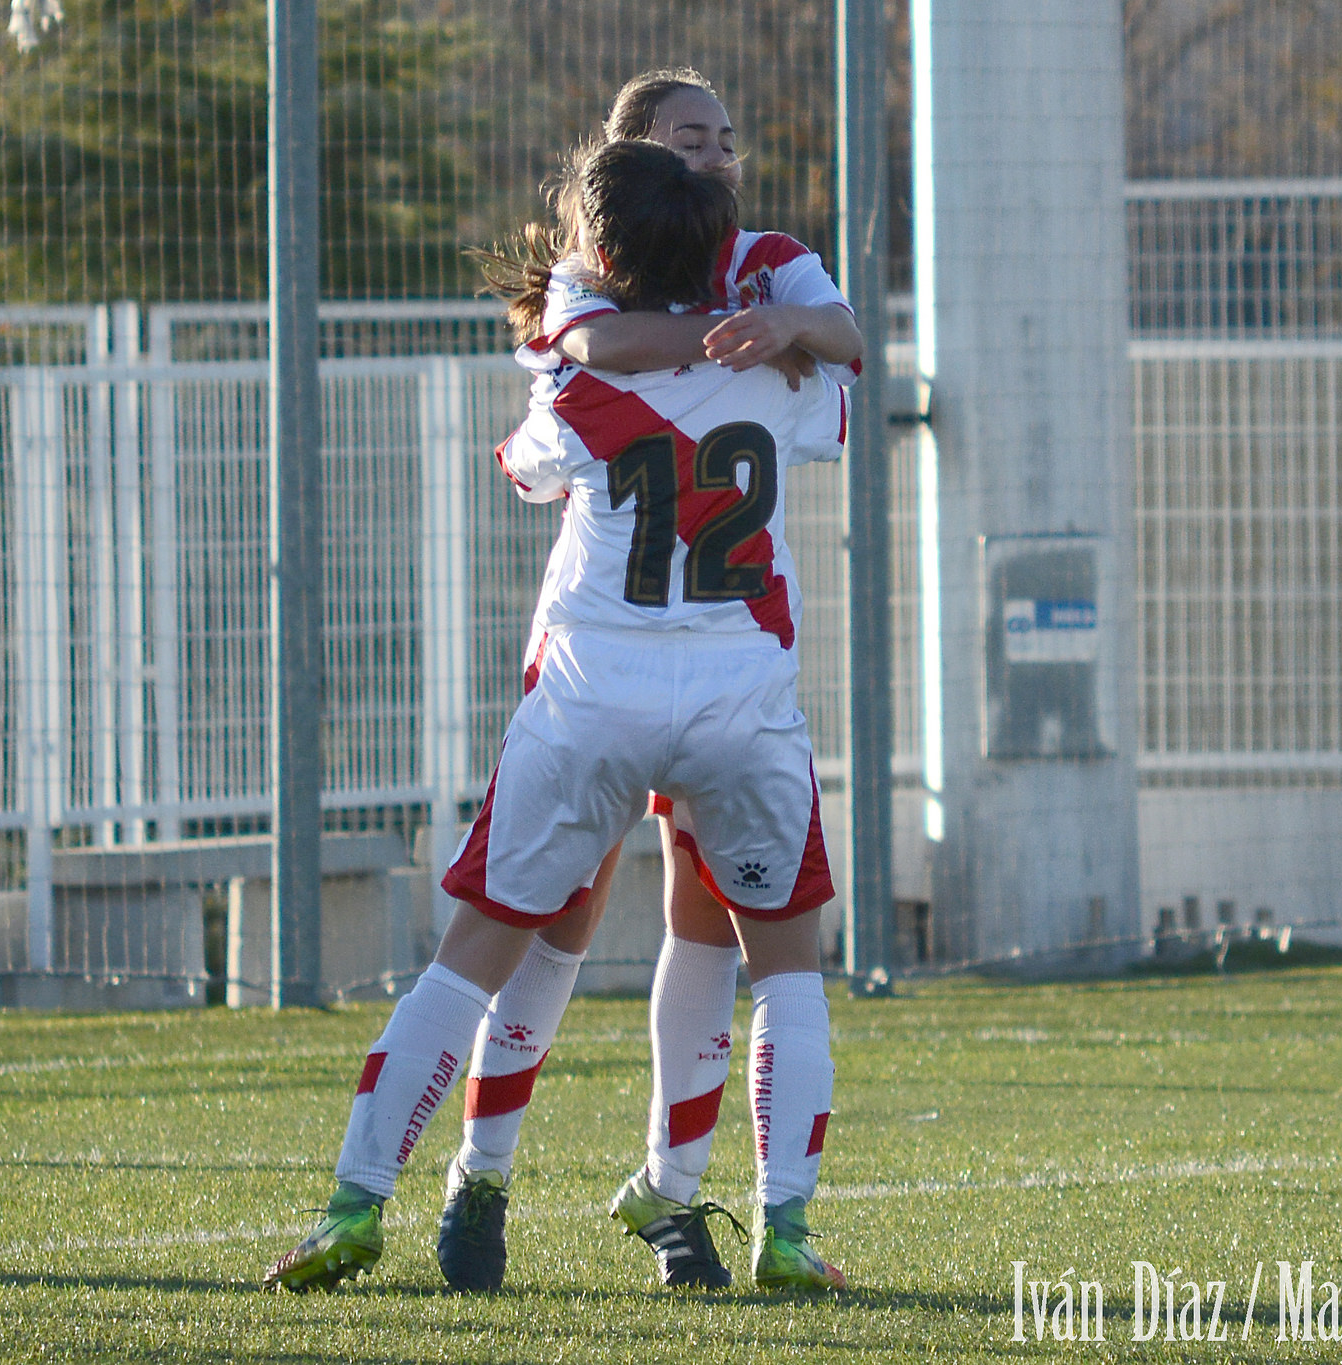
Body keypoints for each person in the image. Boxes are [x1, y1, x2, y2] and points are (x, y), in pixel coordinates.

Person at [261, 138, 846, 1296]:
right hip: (738, 691)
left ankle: (354, 1203)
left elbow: (530, 466)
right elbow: (830, 381)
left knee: (472, 956)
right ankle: (785, 1231)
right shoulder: (789, 372)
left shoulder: (573, 379)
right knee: (786, 969)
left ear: (601, 253)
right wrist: (761, 334)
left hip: (592, 691)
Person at [437, 67, 863, 1296]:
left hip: (722, 660)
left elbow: (843, 351)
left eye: (727, 137)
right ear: (632, 169)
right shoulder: (592, 278)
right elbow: (565, 385)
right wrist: (721, 351)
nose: (720, 156)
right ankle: (483, 1172)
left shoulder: (773, 265)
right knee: (556, 924)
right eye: (692, 139)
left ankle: (672, 1195)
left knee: (707, 925)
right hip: (606, 652)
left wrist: (782, 326)